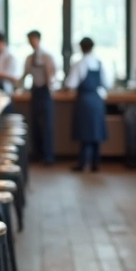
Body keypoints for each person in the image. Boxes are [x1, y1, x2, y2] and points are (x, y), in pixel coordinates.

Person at [65, 37, 112, 172]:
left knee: (84, 133)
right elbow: (107, 84)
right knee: (96, 132)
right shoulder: (99, 63)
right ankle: (95, 163)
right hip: (97, 100)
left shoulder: (79, 63)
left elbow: (71, 84)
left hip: (84, 100)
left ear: (81, 48)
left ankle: (82, 162)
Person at [22, 30, 58, 165]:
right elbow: (25, 74)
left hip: (45, 91)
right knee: (35, 124)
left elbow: (52, 72)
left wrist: (50, 85)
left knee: (47, 125)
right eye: (30, 40)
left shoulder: (47, 56)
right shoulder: (29, 58)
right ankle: (37, 153)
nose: (32, 42)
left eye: (33, 39)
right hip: (35, 91)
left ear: (38, 39)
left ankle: (48, 156)